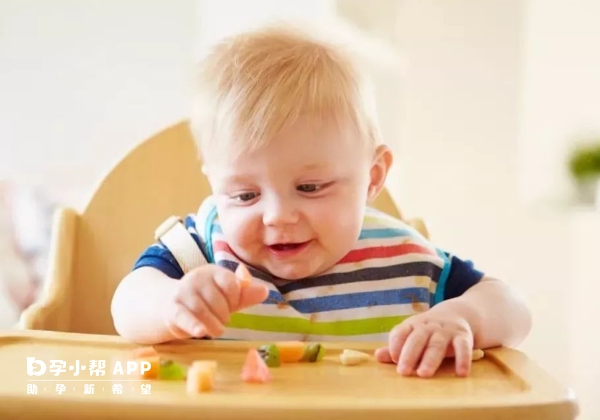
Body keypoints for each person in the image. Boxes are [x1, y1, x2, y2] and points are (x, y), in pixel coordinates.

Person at [111, 24, 531, 378]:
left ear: (372, 178)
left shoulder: (405, 264)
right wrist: (172, 304)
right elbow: (126, 306)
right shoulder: (198, 253)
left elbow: (512, 308)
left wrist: (463, 318)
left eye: (310, 188)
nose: (277, 216)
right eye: (245, 195)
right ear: (215, 187)